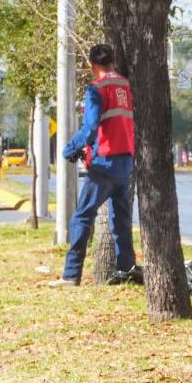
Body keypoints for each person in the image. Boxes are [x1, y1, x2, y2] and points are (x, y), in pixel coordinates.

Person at [47, 43, 140, 288]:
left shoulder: (97, 88)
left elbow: (90, 129)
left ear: (92, 65)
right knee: (121, 221)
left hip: (104, 164)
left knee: (81, 217)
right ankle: (126, 269)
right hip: (126, 161)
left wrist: (69, 148)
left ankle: (70, 274)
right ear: (113, 61)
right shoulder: (125, 85)